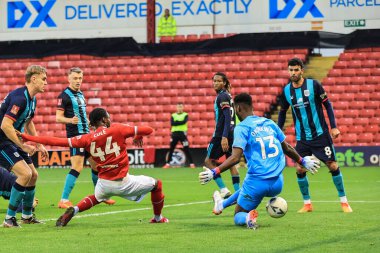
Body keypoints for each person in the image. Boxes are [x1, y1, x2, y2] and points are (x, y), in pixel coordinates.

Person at [20, 108, 169, 226]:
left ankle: (76, 209)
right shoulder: (118, 129)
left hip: (103, 183)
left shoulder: (86, 138)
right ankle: (158, 218)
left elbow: (56, 141)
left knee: (97, 197)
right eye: (108, 117)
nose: (109, 119)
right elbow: (149, 129)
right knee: (157, 185)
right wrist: (138, 136)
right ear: (104, 119)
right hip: (123, 181)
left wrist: (28, 137)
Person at [199, 93, 320, 229]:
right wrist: (303, 161)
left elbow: (235, 158)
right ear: (252, 107)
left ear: (237, 108)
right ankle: (221, 204)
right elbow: (287, 148)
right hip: (277, 183)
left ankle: (247, 218)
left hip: (257, 184)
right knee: (245, 186)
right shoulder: (269, 123)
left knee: (238, 214)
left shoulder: (242, 128)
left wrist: (214, 172)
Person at [278, 57, 353, 213]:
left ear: (301, 71)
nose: (293, 73)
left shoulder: (314, 85)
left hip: (321, 135)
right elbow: (282, 112)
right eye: (290, 70)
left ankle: (344, 202)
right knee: (299, 169)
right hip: (303, 138)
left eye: (296, 70)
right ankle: (307, 204)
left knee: (332, 165)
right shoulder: (286, 91)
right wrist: (278, 131)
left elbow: (327, 105)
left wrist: (334, 127)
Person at [56, 67, 115, 209]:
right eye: (75, 78)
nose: (78, 81)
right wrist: (70, 121)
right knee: (77, 166)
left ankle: (99, 196)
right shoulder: (63, 96)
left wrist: (90, 123)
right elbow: (58, 118)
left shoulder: (81, 94)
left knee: (96, 165)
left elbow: (82, 114)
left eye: (80, 78)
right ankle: (63, 200)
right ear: (68, 79)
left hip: (87, 135)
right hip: (76, 136)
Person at [0, 65, 49, 228]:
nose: (46, 83)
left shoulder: (31, 99)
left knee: (33, 175)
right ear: (33, 78)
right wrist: (23, 145)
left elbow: (28, 122)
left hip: (11, 140)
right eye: (44, 79)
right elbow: (5, 126)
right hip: (2, 141)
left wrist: (38, 144)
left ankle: (27, 216)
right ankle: (9, 219)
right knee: (25, 174)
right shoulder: (20, 98)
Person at [205, 72, 240, 198]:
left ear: (224, 83)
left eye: (219, 81)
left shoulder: (222, 96)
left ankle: (224, 190)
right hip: (232, 133)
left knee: (208, 161)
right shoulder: (228, 95)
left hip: (221, 135)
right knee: (231, 163)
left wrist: (224, 136)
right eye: (214, 81)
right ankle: (238, 193)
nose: (215, 83)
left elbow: (226, 117)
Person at [163, 103, 195, 168]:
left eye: (180, 107)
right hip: (174, 134)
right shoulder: (173, 115)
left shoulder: (185, 114)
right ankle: (167, 164)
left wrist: (176, 122)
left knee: (186, 149)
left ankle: (192, 164)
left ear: (182, 108)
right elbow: (172, 124)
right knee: (171, 149)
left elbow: (184, 122)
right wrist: (179, 122)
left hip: (182, 134)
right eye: (178, 107)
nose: (179, 108)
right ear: (176, 108)